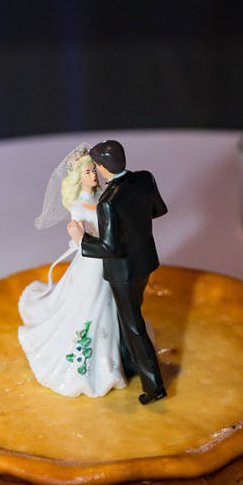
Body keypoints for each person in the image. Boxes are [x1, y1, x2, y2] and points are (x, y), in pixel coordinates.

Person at [16, 146, 124, 398]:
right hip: (91, 261)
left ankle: (112, 357)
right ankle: (85, 363)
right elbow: (80, 239)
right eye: (87, 172)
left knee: (107, 303)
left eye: (94, 171)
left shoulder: (102, 199)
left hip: (106, 258)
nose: (93, 176)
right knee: (90, 304)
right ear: (78, 176)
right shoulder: (80, 206)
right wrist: (80, 238)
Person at [76, 139, 170, 403]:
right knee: (127, 319)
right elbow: (158, 210)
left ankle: (154, 386)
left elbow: (110, 247)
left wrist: (81, 239)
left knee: (133, 327)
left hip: (124, 272)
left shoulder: (108, 202)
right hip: (146, 262)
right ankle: (130, 364)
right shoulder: (144, 179)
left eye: (96, 166)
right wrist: (133, 224)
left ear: (104, 168)